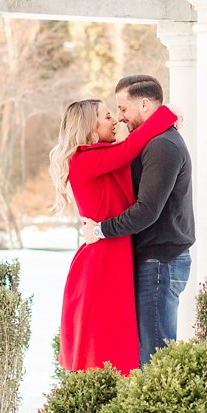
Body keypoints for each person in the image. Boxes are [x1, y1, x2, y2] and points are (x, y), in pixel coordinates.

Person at [50, 96, 178, 375]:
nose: (115, 121)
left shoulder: (100, 155)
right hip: (101, 260)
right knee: (105, 344)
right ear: (89, 125)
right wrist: (166, 114)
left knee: (117, 339)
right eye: (107, 116)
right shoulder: (85, 159)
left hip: (113, 252)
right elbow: (131, 147)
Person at [80, 74, 194, 366]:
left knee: (153, 358)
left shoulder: (162, 146)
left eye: (122, 109)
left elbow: (146, 210)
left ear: (144, 105)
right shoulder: (152, 142)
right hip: (154, 259)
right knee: (145, 353)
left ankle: (158, 412)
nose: (119, 118)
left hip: (160, 261)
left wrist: (102, 230)